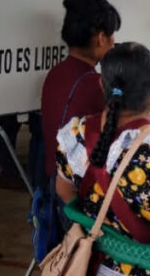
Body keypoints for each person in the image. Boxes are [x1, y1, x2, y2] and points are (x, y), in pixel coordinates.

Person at [55, 42, 150, 276]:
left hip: (87, 264)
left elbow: (64, 190)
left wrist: (100, 224)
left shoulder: (75, 133)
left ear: (102, 84)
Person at [34, 0, 119, 249]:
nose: (114, 42)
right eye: (112, 35)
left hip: (51, 181)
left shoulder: (56, 73)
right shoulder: (94, 84)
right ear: (100, 37)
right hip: (74, 192)